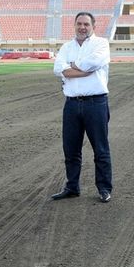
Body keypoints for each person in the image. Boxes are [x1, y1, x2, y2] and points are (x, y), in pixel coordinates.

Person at [52, 12, 113, 203]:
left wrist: (70, 68)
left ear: (93, 26)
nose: (82, 27)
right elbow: (57, 69)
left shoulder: (101, 44)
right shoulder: (66, 46)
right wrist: (82, 70)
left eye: (86, 24)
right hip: (71, 104)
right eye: (79, 23)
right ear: (74, 25)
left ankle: (104, 188)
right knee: (70, 149)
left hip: (96, 103)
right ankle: (72, 187)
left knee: (100, 149)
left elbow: (93, 63)